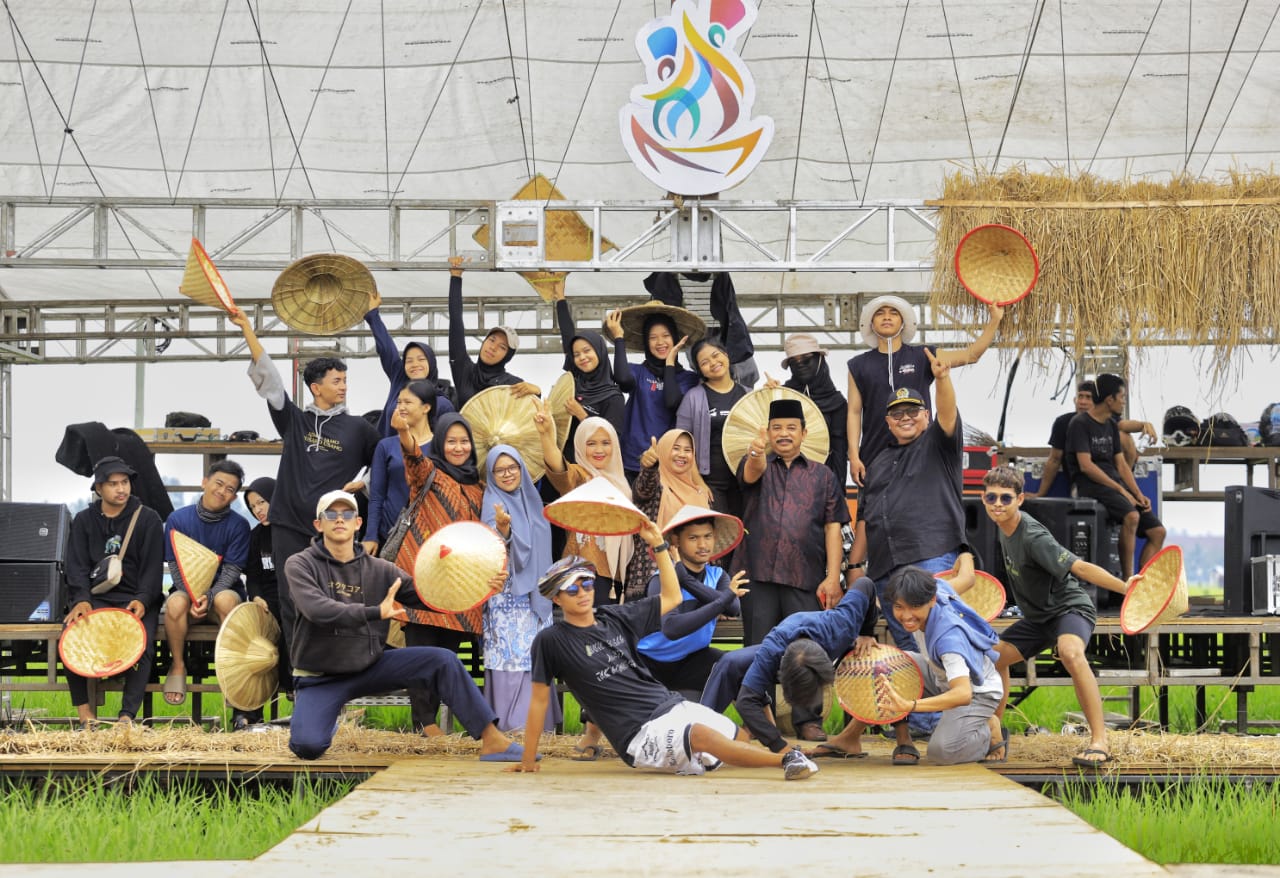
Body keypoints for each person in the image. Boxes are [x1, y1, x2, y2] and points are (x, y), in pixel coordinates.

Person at [508, 537, 820, 780]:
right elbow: (539, 701)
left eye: (586, 583)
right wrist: (528, 760)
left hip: (670, 706)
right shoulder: (551, 640)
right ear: (555, 598)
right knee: (702, 737)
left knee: (737, 739)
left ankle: (786, 754)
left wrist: (658, 545)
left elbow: (671, 597)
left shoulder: (615, 617)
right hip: (637, 734)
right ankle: (787, 758)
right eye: (571, 588)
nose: (582, 592)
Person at [284, 490, 526, 762]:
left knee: (442, 660)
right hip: (320, 675)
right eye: (331, 514)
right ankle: (324, 720)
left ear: (358, 523)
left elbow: (429, 594)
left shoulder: (380, 569)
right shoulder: (300, 564)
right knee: (308, 747)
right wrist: (376, 612)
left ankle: (492, 740)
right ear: (319, 524)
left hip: (369, 666)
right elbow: (316, 610)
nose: (339, 519)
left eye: (347, 514)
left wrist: (481, 586)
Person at [229, 307, 380, 688]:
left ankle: (335, 683)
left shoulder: (359, 428)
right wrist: (248, 329)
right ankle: (300, 686)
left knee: (332, 604)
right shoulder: (295, 420)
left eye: (345, 380)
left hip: (333, 532)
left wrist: (362, 483)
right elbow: (271, 380)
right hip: (288, 526)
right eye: (336, 380)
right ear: (316, 387)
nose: (344, 386)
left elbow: (385, 465)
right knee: (291, 604)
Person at [982, 465, 1131, 768]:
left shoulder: (1033, 536)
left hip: (1069, 608)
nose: (998, 504)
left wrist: (1125, 587)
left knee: (1070, 652)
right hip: (1038, 616)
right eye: (991, 497)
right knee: (992, 658)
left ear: (1020, 500)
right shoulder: (1002, 528)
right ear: (983, 499)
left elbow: (1080, 568)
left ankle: (1100, 741)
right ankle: (993, 735)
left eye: (1006, 498)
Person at [738, 397, 848, 741]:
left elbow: (833, 526)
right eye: (776, 428)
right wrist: (756, 452)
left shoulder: (823, 475)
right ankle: (758, 720)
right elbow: (749, 474)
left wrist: (833, 575)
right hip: (758, 573)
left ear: (803, 433)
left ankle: (807, 720)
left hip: (806, 575)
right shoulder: (756, 462)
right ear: (767, 433)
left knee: (806, 648)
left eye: (790, 428)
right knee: (758, 647)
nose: (783, 434)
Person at [817, 567, 1005, 765]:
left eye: (914, 607)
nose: (906, 616)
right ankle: (855, 738)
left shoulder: (949, 640)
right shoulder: (937, 589)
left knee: (941, 752)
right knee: (882, 667)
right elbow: (966, 577)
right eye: (899, 607)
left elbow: (963, 694)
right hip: (939, 674)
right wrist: (965, 555)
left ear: (931, 600)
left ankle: (987, 729)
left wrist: (910, 706)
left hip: (976, 693)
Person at [700, 578, 879, 758]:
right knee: (730, 663)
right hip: (783, 642)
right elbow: (747, 701)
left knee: (883, 661)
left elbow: (865, 583)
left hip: (831, 641)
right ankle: (696, 726)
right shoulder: (772, 650)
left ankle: (897, 738)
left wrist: (867, 632)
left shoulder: (843, 623)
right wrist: (780, 747)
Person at [846, 295, 1003, 486]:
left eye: (893, 313)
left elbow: (971, 355)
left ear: (903, 322)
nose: (887, 317)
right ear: (871, 323)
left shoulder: (923, 355)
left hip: (920, 455)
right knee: (872, 514)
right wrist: (854, 457)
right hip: (875, 455)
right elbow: (854, 412)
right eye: (880, 313)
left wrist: (994, 320)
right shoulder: (858, 364)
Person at [394, 411, 485, 733]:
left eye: (464, 442)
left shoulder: (479, 486)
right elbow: (412, 456)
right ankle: (426, 727)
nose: (458, 448)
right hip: (421, 580)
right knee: (420, 655)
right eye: (451, 441)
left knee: (445, 658)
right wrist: (404, 431)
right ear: (440, 443)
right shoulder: (428, 473)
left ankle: (449, 727)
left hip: (457, 588)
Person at [62, 457, 165, 728]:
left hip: (136, 596)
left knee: (142, 645)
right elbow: (76, 566)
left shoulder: (148, 519)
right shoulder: (84, 520)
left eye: (125, 482)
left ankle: (126, 717)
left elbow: (153, 569)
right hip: (96, 597)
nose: (121, 489)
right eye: (113, 484)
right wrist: (81, 599)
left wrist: (143, 600)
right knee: (70, 638)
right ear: (99, 488)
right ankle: (86, 716)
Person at [161, 460, 251, 712]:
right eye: (218, 483)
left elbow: (232, 570)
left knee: (226, 599)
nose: (222, 491)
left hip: (220, 596)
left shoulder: (239, 526)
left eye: (230, 489)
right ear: (205, 482)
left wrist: (208, 598)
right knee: (176, 602)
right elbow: (175, 565)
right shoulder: (178, 519)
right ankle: (178, 664)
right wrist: (192, 595)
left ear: (234, 497)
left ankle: (231, 671)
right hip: (187, 594)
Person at [480, 445, 558, 732]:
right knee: (511, 658)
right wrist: (504, 530)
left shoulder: (532, 499)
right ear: (491, 474)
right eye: (499, 470)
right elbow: (489, 548)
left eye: (512, 467)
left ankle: (540, 726)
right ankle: (513, 727)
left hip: (536, 596)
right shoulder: (492, 502)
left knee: (535, 658)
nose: (507, 474)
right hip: (507, 598)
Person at [636, 508, 747, 699]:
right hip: (649, 665)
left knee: (736, 668)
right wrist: (723, 598)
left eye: (708, 536)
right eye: (693, 538)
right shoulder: (661, 579)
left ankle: (763, 728)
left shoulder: (718, 576)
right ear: (676, 542)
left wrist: (688, 581)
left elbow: (733, 608)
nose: (702, 544)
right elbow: (671, 629)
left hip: (691, 662)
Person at [1065, 374, 1167, 580]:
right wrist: (1121, 491)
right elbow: (1086, 466)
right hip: (1091, 484)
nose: (1123, 401)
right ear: (1109, 399)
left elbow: (1120, 463)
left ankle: (1142, 584)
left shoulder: (1111, 425)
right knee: (1132, 516)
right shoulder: (1080, 423)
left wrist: (1137, 494)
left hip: (1112, 483)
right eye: (1121, 397)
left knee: (1158, 532)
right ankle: (1127, 584)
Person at [534, 405, 632, 606]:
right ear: (580, 445)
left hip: (619, 575)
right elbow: (558, 468)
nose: (599, 450)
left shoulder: (622, 483)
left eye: (606, 443)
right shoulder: (580, 477)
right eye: (591, 443)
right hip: (584, 572)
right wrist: (546, 436)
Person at [363, 266, 455, 437]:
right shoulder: (399, 379)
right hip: (389, 459)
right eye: (409, 360)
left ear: (431, 363)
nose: (415, 364)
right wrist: (373, 315)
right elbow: (386, 348)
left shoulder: (442, 403)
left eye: (421, 359)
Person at [624, 429, 713, 601]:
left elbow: (710, 541)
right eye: (676, 448)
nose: (682, 454)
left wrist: (714, 593)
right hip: (655, 583)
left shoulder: (700, 493)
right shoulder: (657, 486)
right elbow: (643, 490)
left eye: (688, 450)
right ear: (663, 451)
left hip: (694, 587)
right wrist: (649, 468)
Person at [1036, 380, 1159, 496]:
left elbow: (1123, 425)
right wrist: (1040, 494)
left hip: (1111, 482)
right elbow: (1054, 460)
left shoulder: (1107, 421)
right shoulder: (1063, 423)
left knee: (1124, 437)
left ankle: (1124, 486)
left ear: (1097, 400)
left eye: (1088, 397)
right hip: (1082, 483)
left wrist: (1143, 425)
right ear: (1075, 399)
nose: (1082, 402)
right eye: (1080, 396)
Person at [550, 280, 635, 443]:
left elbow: (611, 440)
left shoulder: (613, 397)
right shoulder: (575, 381)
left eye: (587, 351)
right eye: (576, 354)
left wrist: (582, 414)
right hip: (567, 463)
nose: (582, 357)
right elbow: (567, 334)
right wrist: (560, 298)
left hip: (594, 466)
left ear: (600, 352)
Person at [445, 259, 539, 406]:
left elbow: (528, 417)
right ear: (484, 342)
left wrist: (538, 392)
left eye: (502, 347)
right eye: (492, 340)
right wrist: (456, 276)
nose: (493, 347)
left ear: (507, 357)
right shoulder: (464, 370)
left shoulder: (513, 385)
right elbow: (456, 322)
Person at [619, 309, 699, 478]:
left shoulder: (688, 379)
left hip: (671, 463)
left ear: (675, 339)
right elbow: (622, 380)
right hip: (634, 462)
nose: (660, 342)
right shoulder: (638, 371)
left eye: (666, 336)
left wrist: (669, 363)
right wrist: (619, 339)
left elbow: (672, 401)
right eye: (653, 338)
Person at [676, 338, 750, 518]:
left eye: (716, 355)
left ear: (726, 355)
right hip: (711, 482)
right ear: (699, 370)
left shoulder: (748, 394)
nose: (713, 363)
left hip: (746, 480)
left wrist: (771, 392)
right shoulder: (693, 397)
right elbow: (682, 445)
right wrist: (699, 482)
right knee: (719, 537)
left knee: (745, 537)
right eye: (704, 362)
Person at [366, 380, 435, 555]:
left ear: (426, 408)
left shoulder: (440, 444)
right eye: (399, 402)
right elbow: (377, 496)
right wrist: (371, 535)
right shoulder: (386, 446)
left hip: (430, 534)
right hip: (390, 533)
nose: (401, 407)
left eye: (408, 402)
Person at [238, 475, 286, 729]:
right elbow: (253, 578)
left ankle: (296, 696)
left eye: (262, 502)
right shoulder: (256, 536)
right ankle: (247, 714)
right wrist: (255, 596)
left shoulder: (292, 529)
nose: (258, 510)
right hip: (265, 604)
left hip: (291, 601)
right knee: (250, 647)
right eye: (253, 506)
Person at [779, 333, 848, 487]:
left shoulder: (838, 403)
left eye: (806, 359)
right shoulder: (782, 396)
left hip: (822, 482)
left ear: (819, 360)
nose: (801, 365)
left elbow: (839, 451)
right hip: (784, 482)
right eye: (794, 362)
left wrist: (838, 491)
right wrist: (768, 394)